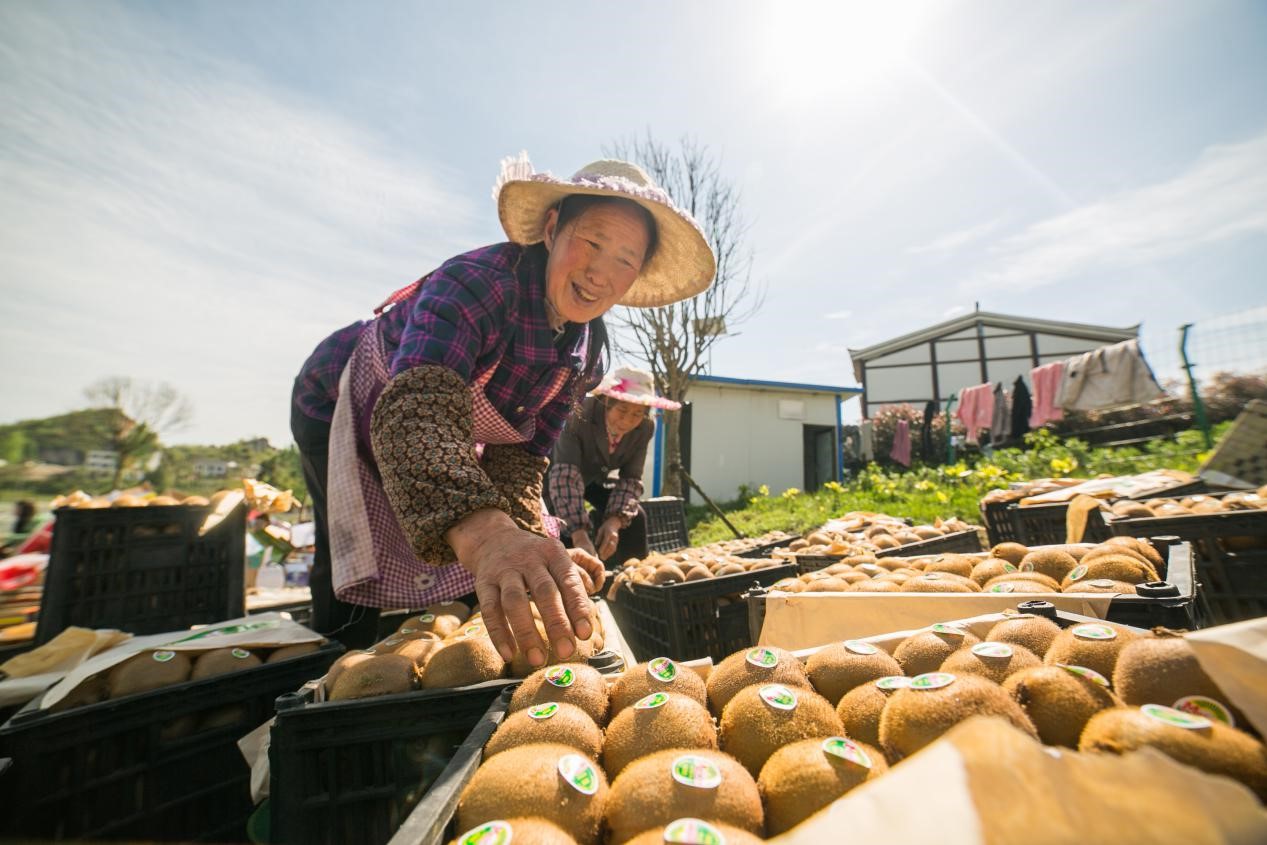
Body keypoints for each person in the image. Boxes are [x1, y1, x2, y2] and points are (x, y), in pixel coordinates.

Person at [290, 153, 716, 664]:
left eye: (625, 259)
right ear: (553, 228)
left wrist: (534, 539)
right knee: (346, 559)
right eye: (593, 242)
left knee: (489, 551)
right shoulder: (479, 282)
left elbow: (521, 458)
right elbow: (419, 409)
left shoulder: (588, 352)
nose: (602, 273)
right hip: (337, 400)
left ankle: (449, 660)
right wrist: (489, 535)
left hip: (439, 430)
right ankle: (326, 680)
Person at [546, 367, 679, 564]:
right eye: (622, 410)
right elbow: (565, 476)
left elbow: (631, 478)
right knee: (564, 532)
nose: (626, 421)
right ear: (608, 401)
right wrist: (579, 533)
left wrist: (614, 522)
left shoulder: (644, 427)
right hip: (556, 478)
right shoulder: (578, 414)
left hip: (594, 478)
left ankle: (630, 581)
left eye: (636, 414)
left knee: (634, 518)